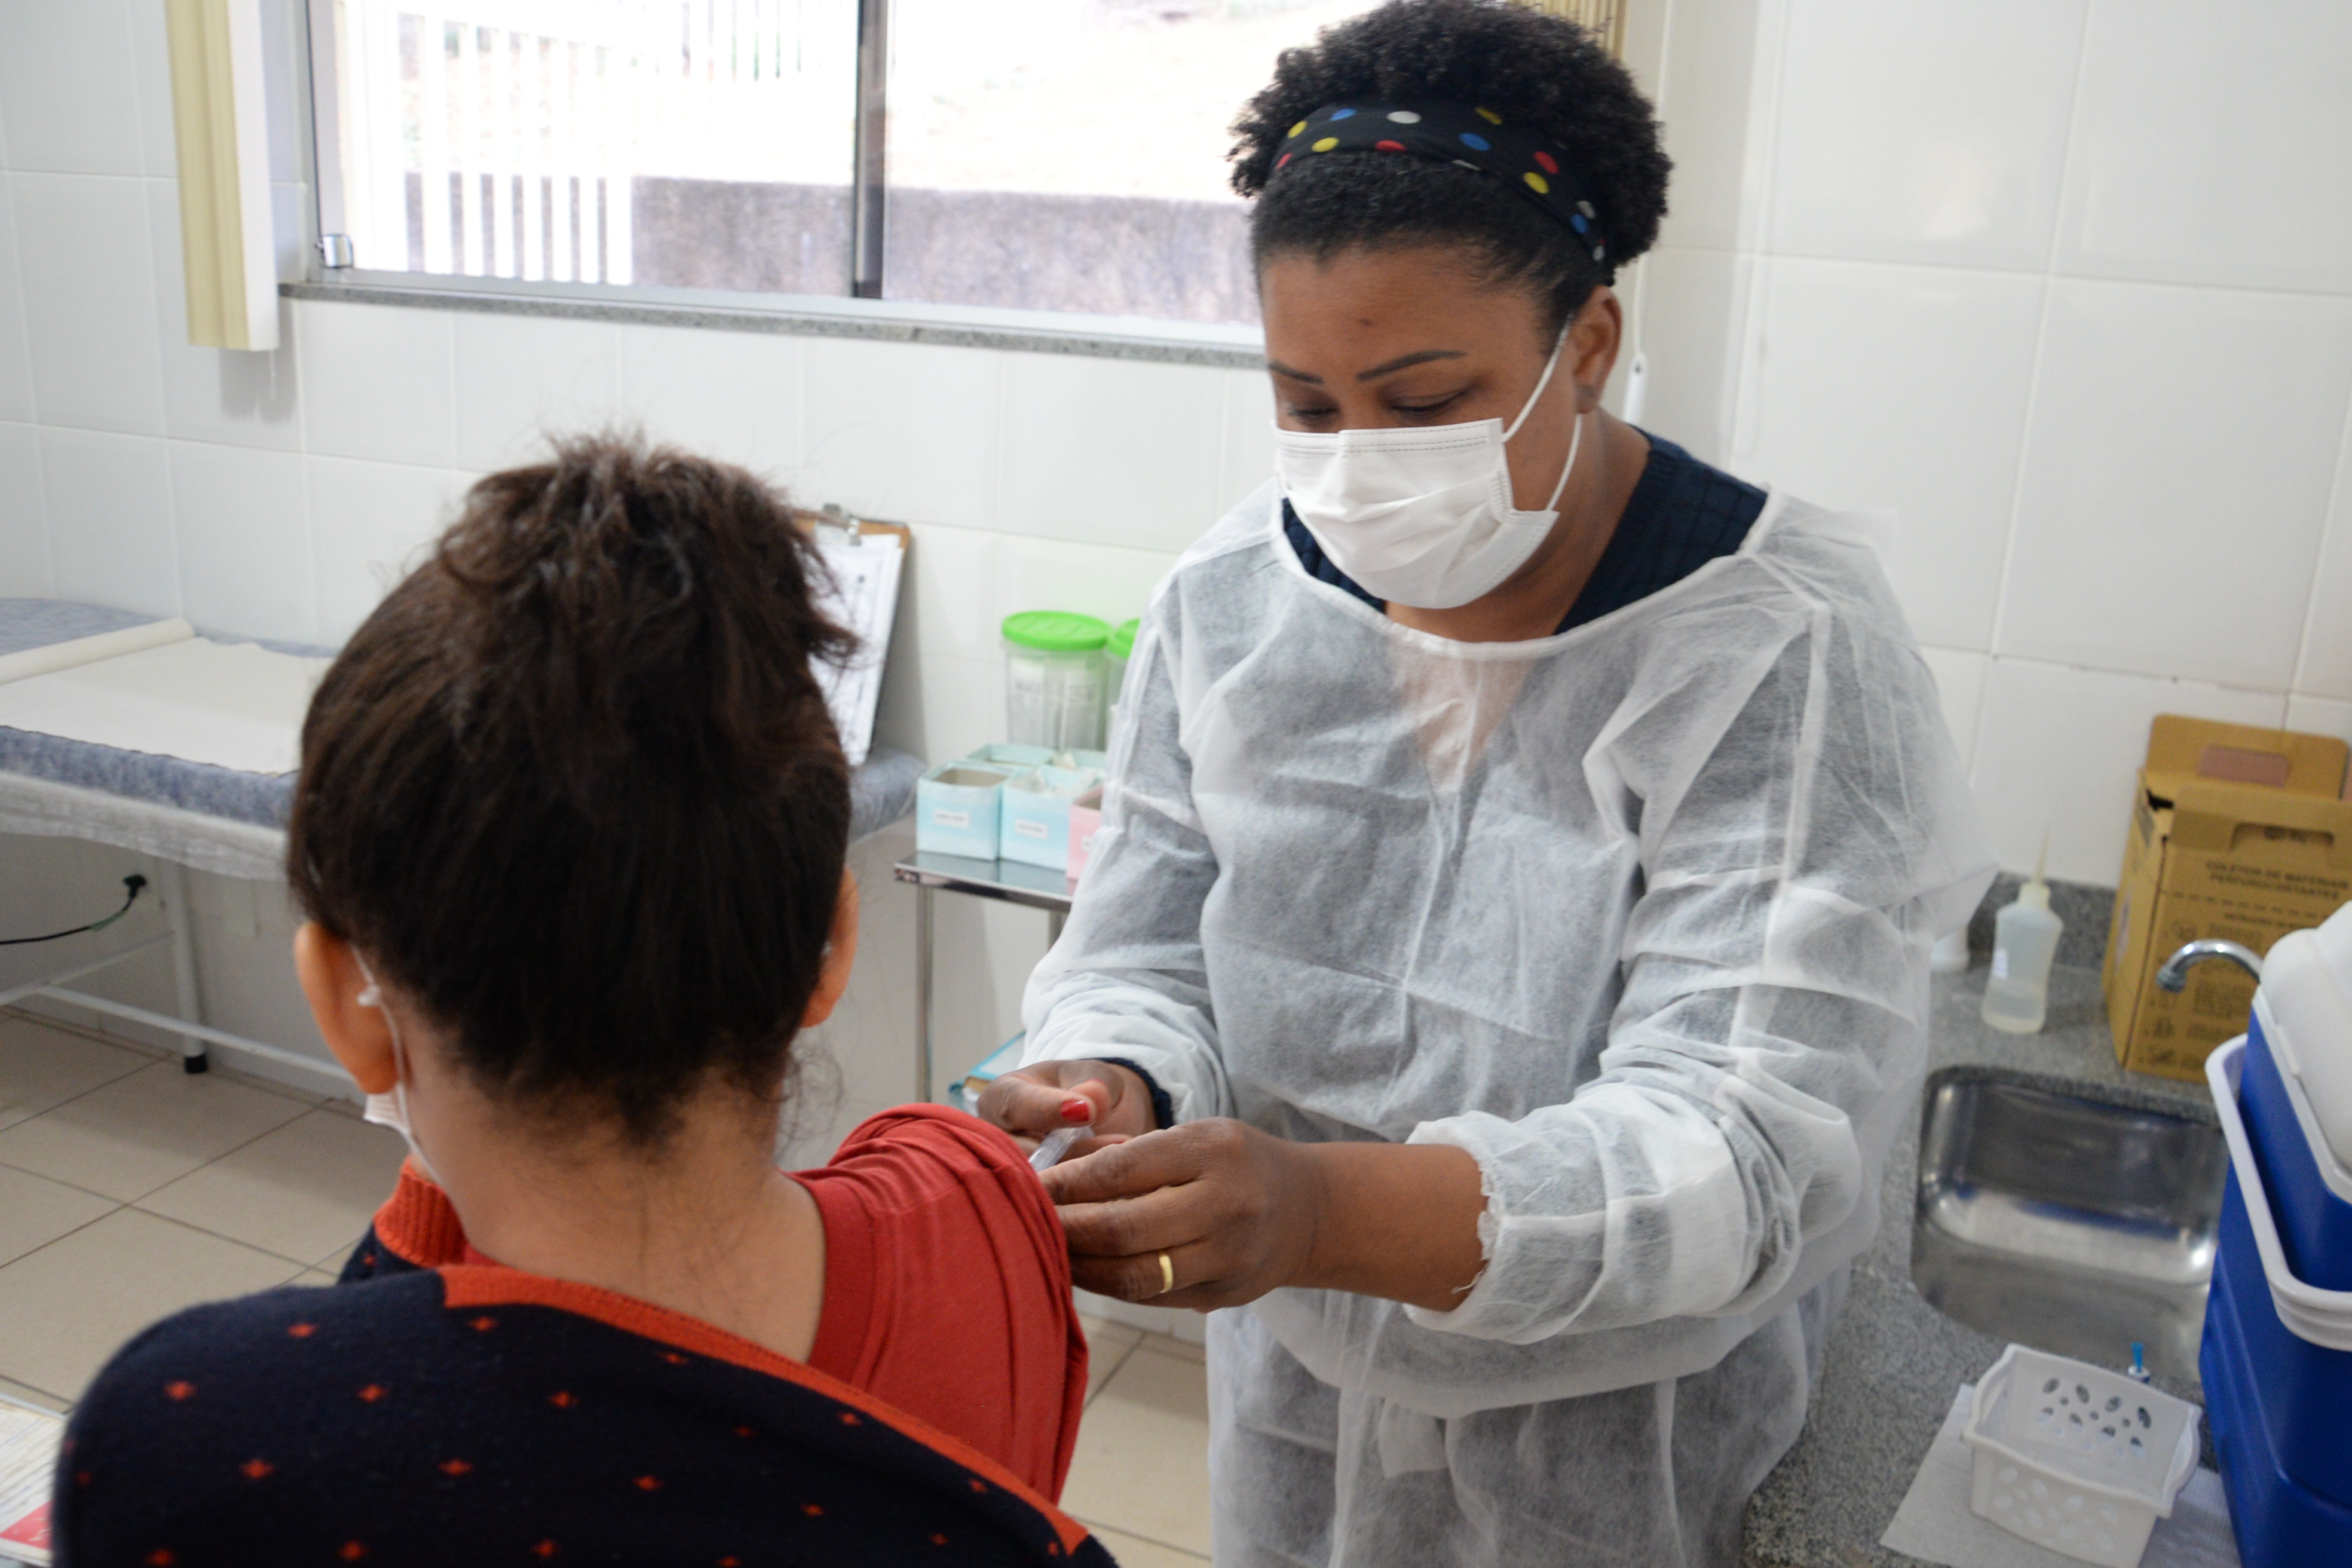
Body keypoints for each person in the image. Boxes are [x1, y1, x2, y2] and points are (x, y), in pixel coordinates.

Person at [979, 3, 1995, 1564]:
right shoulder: (1238, 602)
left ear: (1585, 344)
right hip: (1295, 1391)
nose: (1356, 462)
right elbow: (1146, 929)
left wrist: (1320, 1209)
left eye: (1423, 403)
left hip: (1620, 1433)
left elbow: (1744, 1148)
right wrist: (1119, 1077)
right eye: (1307, 407)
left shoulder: (1777, 647)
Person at [57, 436, 1111, 1567]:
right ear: (831, 948)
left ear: (345, 1005)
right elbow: (952, 1190)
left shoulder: (197, 1448)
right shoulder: (986, 1216)